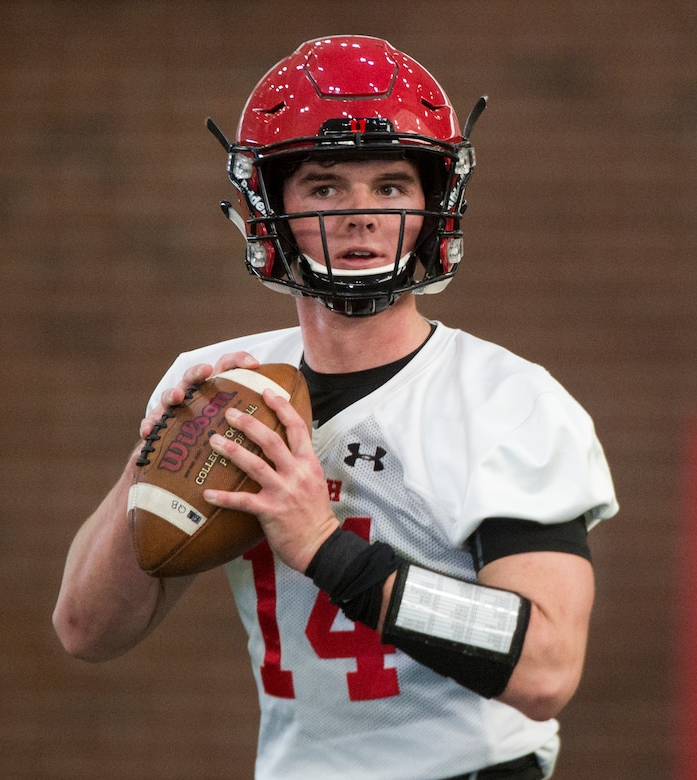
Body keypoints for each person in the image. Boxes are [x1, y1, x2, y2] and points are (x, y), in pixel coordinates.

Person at [53, 35, 619, 780]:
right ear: (269, 204)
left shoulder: (507, 400)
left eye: (390, 186)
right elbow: (85, 630)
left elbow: (547, 671)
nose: (359, 214)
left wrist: (325, 547)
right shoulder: (222, 384)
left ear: (431, 205)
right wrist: (156, 457)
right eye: (324, 187)